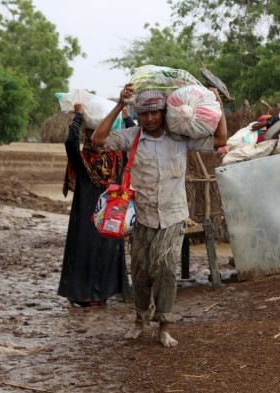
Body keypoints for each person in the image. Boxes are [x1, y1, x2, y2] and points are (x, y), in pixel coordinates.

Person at [92, 84, 227, 347]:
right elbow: (98, 141)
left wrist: (217, 104)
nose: (150, 118)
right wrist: (120, 104)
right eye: (144, 114)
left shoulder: (180, 137)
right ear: (139, 116)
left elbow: (220, 141)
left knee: (165, 268)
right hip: (141, 217)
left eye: (155, 113)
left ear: (165, 112)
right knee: (141, 272)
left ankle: (164, 325)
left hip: (173, 215)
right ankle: (141, 319)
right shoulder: (130, 138)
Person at [58, 103, 135, 308]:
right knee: (107, 252)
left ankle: (84, 296)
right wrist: (127, 118)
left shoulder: (82, 160)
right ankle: (101, 297)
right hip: (111, 216)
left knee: (84, 251)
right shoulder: (119, 158)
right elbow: (134, 141)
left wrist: (78, 116)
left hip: (85, 217)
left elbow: (70, 141)